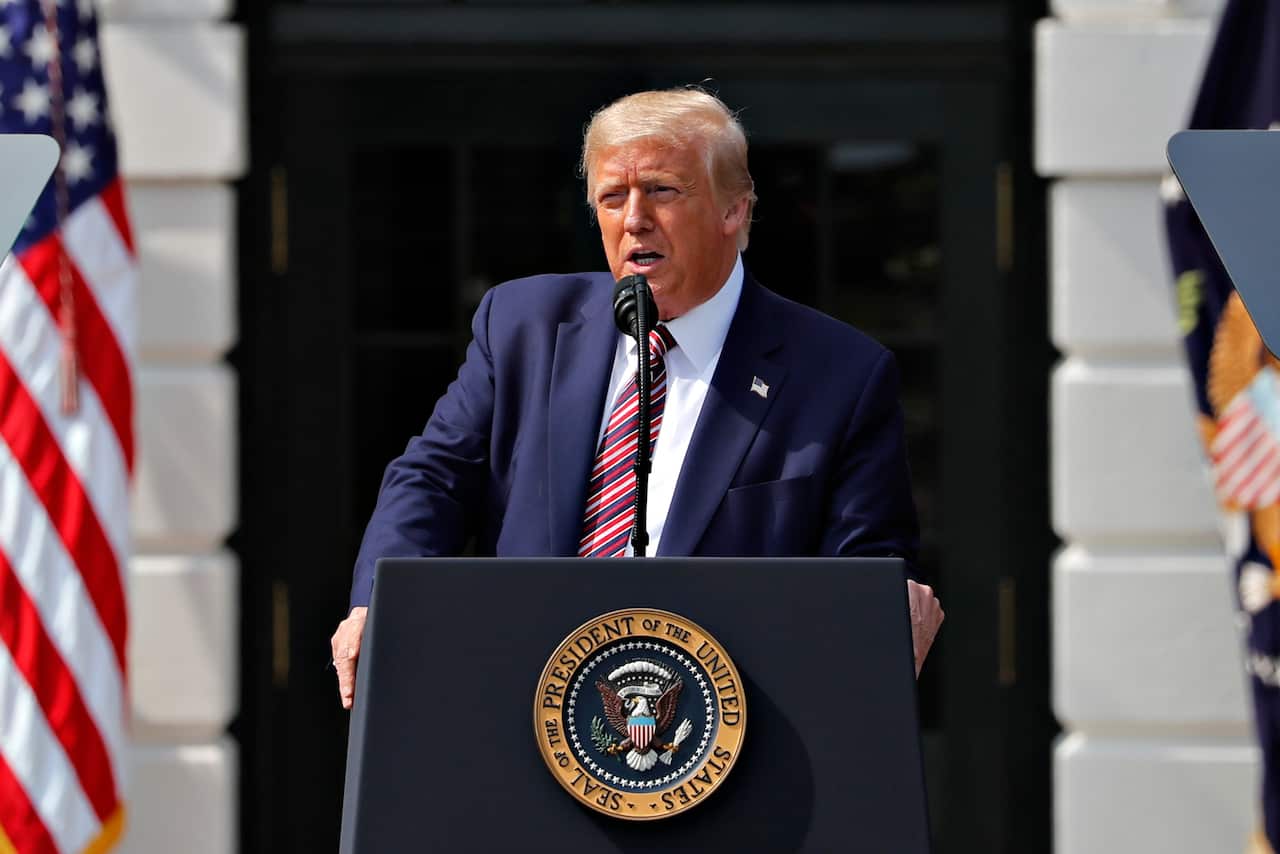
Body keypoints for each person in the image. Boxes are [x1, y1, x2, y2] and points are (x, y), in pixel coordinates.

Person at [332, 87, 944, 709]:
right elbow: (432, 478)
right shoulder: (523, 325)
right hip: (527, 706)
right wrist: (378, 601)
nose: (634, 220)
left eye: (662, 191)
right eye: (612, 197)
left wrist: (885, 600)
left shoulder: (839, 373)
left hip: (727, 730)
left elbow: (864, 563)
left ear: (735, 208)